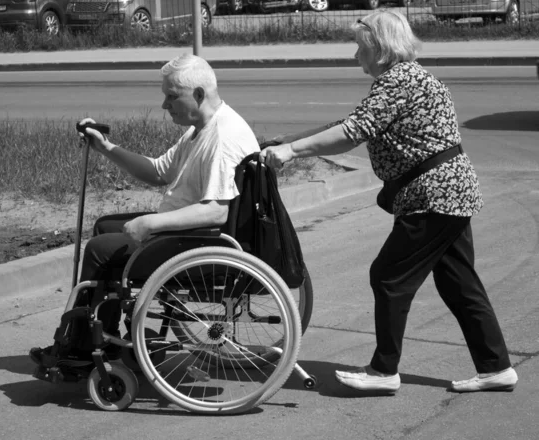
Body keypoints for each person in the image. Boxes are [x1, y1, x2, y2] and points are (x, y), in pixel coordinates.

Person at [259, 10, 517, 394]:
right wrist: (288, 139)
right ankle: (496, 367)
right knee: (459, 283)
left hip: (432, 196)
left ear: (379, 49)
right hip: (450, 193)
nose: (354, 56)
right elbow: (355, 122)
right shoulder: (409, 77)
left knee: (388, 276)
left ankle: (383, 371)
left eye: (359, 47)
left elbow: (352, 132)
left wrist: (292, 151)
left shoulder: (398, 81)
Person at [30, 53, 261, 370]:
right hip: (182, 236)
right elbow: (156, 171)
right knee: (104, 227)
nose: (165, 105)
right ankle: (100, 334)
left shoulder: (221, 137)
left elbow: (215, 213)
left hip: (193, 242)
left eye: (171, 97)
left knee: (100, 250)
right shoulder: (200, 129)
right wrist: (105, 147)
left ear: (198, 94)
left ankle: (82, 349)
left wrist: (151, 222)